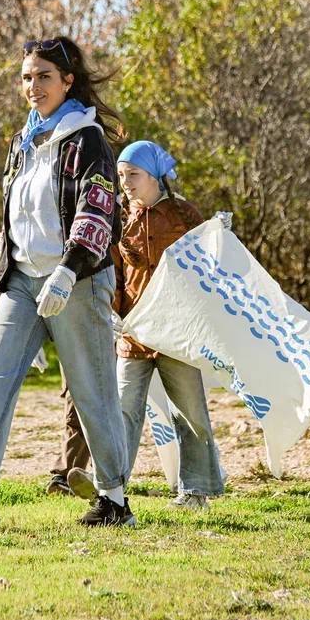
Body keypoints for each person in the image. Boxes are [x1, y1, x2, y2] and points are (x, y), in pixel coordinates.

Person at [0, 36, 132, 527]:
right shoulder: (23, 142)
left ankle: (115, 497)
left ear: (67, 80)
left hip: (76, 280)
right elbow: (15, 216)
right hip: (23, 280)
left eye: (43, 76)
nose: (32, 86)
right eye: (25, 77)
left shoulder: (87, 140)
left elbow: (99, 210)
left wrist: (69, 267)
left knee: (92, 390)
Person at [110, 140, 224, 508]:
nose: (126, 182)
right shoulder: (118, 218)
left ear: (155, 175)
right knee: (122, 410)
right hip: (134, 334)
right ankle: (111, 489)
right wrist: (113, 311)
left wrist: (221, 237)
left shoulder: (183, 214)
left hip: (178, 333)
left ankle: (197, 490)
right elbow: (114, 272)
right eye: (122, 176)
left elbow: (209, 267)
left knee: (190, 412)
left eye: (134, 175)